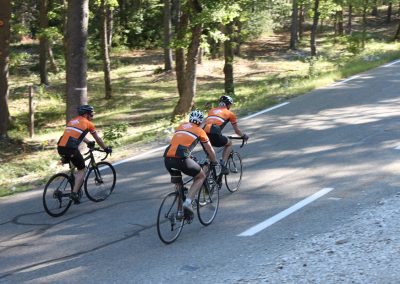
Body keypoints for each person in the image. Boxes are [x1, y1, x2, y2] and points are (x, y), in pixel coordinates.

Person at [164, 109, 218, 215]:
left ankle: (180, 213)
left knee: (179, 184)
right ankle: (188, 202)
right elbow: (210, 149)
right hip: (181, 158)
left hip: (167, 158)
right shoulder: (200, 131)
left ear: (190, 119)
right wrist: (214, 161)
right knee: (200, 176)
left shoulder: (180, 127)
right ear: (201, 122)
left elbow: (179, 144)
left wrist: (190, 155)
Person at [57, 105, 112, 204]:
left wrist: (88, 142)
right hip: (70, 149)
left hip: (61, 147)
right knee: (82, 169)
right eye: (91, 114)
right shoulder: (88, 124)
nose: (92, 116)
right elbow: (98, 139)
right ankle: (74, 193)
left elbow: (77, 135)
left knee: (76, 166)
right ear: (86, 114)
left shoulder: (73, 121)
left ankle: (75, 190)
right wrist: (106, 148)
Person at [203, 95, 249, 174]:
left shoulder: (211, 111)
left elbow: (212, 123)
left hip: (203, 135)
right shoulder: (230, 114)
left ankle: (202, 179)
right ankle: (223, 165)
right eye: (230, 105)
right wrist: (244, 136)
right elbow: (237, 131)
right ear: (228, 105)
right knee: (229, 143)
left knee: (210, 157)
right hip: (214, 135)